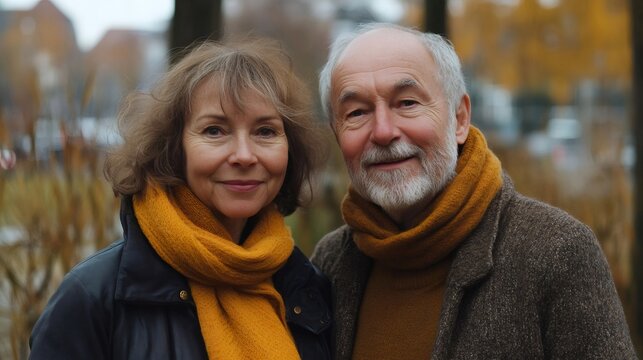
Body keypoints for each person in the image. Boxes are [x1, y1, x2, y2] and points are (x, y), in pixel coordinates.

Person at [311, 22, 637, 359]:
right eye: (357, 112)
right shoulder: (332, 263)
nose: (382, 131)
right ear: (338, 135)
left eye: (407, 103)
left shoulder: (556, 253)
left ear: (460, 119)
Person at [29, 38, 332, 359]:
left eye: (265, 132)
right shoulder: (93, 297)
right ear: (173, 150)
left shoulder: (305, 289)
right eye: (215, 131)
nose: (244, 155)